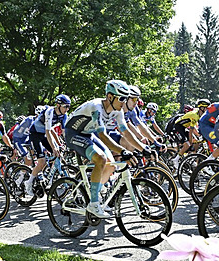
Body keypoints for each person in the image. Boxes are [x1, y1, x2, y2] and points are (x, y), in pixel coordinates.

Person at [63, 79, 137, 218]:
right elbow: (102, 135)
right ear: (110, 97)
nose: (123, 102)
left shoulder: (117, 110)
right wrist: (122, 151)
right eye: (121, 98)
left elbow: (126, 133)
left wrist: (144, 148)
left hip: (87, 134)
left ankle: (93, 194)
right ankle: (94, 203)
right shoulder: (96, 107)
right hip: (72, 134)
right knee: (101, 159)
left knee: (111, 165)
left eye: (126, 99)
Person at [24, 94, 71, 196]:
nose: (67, 109)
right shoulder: (50, 111)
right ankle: (29, 183)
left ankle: (47, 176)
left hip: (45, 134)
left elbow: (64, 132)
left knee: (58, 155)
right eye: (65, 106)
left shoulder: (64, 115)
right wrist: (54, 147)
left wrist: (69, 144)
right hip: (35, 134)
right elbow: (48, 130)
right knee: (42, 161)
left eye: (68, 106)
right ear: (58, 105)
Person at [170, 98, 211, 167]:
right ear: (201, 108)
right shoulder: (194, 116)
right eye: (206, 108)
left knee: (197, 141)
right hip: (177, 127)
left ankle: (190, 157)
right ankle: (176, 159)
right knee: (188, 144)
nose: (207, 111)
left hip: (184, 127)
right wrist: (190, 141)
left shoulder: (199, 114)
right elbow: (191, 130)